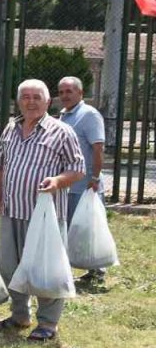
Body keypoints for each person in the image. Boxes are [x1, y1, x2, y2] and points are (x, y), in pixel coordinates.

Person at [0, 79, 85, 342]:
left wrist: (57, 181)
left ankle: (48, 324)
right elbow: (1, 164)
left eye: (36, 97)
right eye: (25, 97)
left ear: (47, 102)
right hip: (13, 211)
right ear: (18, 101)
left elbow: (77, 169)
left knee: (46, 270)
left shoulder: (62, 131)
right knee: (9, 266)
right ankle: (19, 315)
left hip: (45, 216)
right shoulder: (10, 128)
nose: (30, 102)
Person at [56, 76, 107, 284]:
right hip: (68, 185)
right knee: (69, 229)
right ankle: (71, 266)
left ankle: (97, 270)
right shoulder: (63, 116)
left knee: (88, 228)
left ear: (80, 93)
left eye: (69, 91)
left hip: (86, 184)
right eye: (61, 92)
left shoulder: (89, 115)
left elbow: (98, 147)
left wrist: (94, 178)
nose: (65, 96)